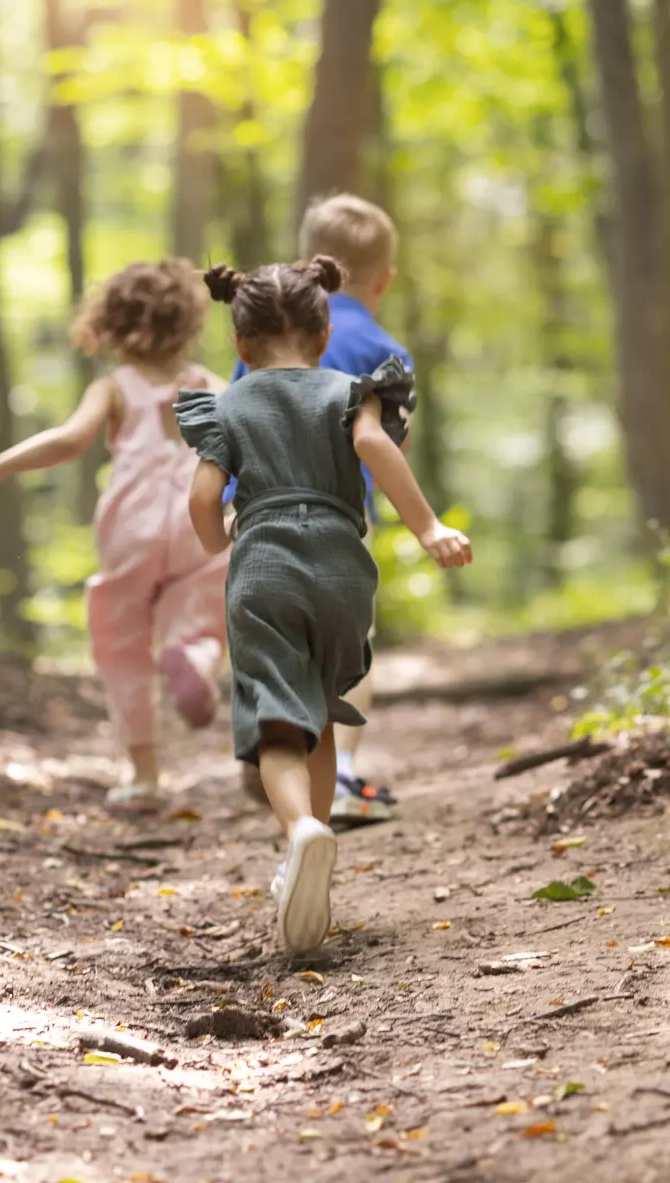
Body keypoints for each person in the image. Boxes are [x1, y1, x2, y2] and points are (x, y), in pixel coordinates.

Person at [176, 256, 472, 954]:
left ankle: (299, 833)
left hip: (266, 571)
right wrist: (428, 527)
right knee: (323, 706)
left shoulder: (228, 404)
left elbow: (200, 497)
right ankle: (322, 834)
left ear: (239, 347)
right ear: (324, 330)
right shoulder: (352, 390)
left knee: (278, 723)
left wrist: (217, 540)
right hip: (342, 567)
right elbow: (374, 445)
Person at [0, 260, 227, 815]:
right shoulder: (212, 386)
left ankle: (144, 774)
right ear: (189, 323)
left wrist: (0, 464)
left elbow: (67, 441)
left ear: (110, 326)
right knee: (202, 603)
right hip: (197, 519)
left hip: (130, 526)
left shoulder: (114, 388)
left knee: (122, 641)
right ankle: (198, 653)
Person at [228, 194, 410, 826]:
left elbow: (237, 433)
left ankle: (274, 759)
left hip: (263, 531)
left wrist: (231, 513)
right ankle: (343, 774)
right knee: (348, 655)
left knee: (270, 648)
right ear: (384, 278)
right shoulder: (386, 353)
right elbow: (388, 445)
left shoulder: (264, 338)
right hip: (341, 533)